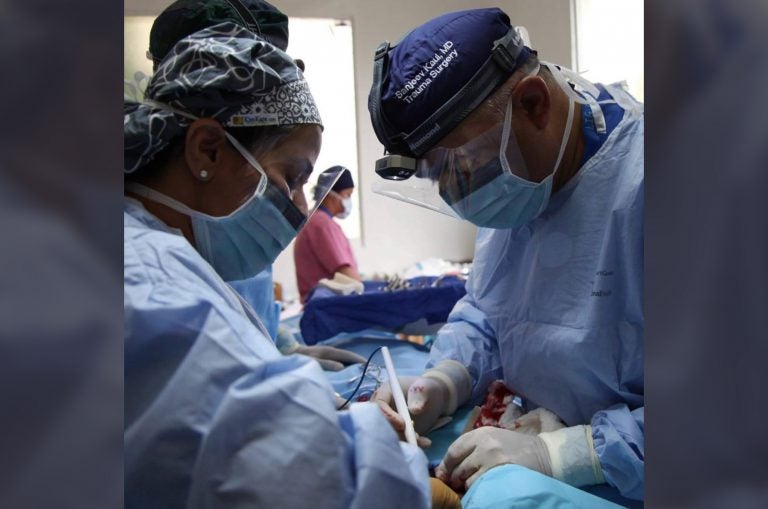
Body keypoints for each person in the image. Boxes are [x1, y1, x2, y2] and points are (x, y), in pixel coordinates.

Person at [124, 23, 432, 508]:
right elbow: (310, 488)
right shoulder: (148, 284)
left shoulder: (156, 254)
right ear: (207, 149)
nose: (296, 206)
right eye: (291, 176)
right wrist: (374, 446)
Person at [368, 7, 643, 505]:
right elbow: (492, 312)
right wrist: (446, 380)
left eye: (465, 168)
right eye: (439, 178)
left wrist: (571, 454)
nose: (457, 195)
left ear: (534, 103)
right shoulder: (524, 179)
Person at [294, 166, 361, 302]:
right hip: (327, 307)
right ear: (331, 195)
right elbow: (344, 272)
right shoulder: (321, 223)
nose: (349, 201)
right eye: (347, 195)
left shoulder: (317, 220)